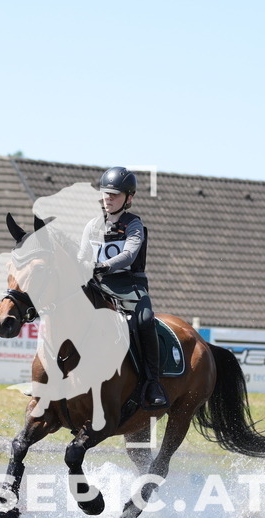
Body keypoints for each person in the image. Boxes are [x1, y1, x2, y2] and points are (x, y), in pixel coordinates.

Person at [80, 167, 169, 410]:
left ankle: (153, 383)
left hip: (129, 285)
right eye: (106, 193)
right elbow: (82, 257)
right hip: (99, 285)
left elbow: (129, 255)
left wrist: (103, 266)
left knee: (145, 319)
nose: (108, 198)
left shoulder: (134, 225)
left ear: (129, 198)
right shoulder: (92, 225)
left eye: (115, 194)